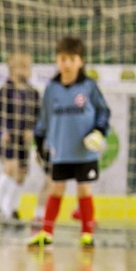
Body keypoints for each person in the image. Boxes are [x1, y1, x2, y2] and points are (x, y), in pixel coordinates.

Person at [29, 36, 110, 248]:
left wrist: (99, 131)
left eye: (72, 59)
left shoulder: (89, 86)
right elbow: (44, 118)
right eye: (63, 58)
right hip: (61, 150)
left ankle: (87, 233)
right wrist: (39, 141)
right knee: (56, 189)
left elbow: (103, 111)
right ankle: (46, 232)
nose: (66, 63)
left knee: (84, 190)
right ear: (57, 60)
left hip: (85, 152)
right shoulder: (52, 89)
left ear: (80, 61)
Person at [0, 52, 40, 225]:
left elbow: (37, 116)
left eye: (28, 68)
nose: (26, 71)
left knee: (21, 173)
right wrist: (1, 132)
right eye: (22, 67)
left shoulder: (33, 93)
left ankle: (12, 209)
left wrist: (32, 130)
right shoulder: (5, 91)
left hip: (23, 139)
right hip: (9, 137)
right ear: (12, 69)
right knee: (10, 168)